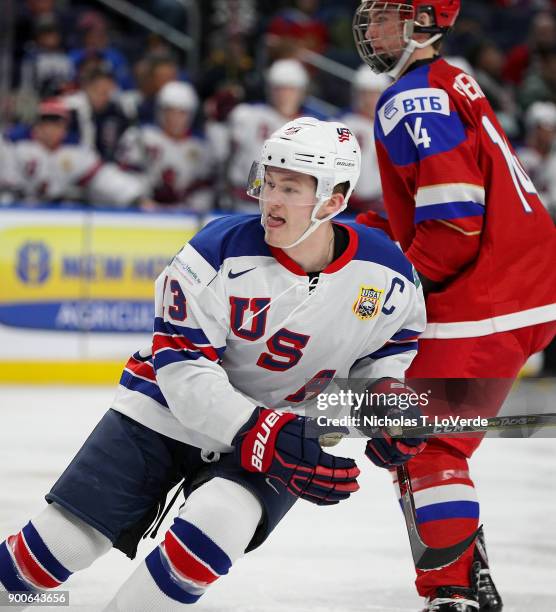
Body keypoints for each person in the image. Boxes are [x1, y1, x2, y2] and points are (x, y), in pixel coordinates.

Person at [0, 117, 427, 610]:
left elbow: (385, 352)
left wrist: (386, 400)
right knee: (59, 547)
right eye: (268, 182)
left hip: (279, 429)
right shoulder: (215, 252)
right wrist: (264, 432)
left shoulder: (388, 275)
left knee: (216, 528)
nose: (271, 200)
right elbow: (182, 370)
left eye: (290, 188)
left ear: (333, 200)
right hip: (164, 414)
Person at [352, 1, 556, 611]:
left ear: (423, 22)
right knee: (435, 441)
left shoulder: (412, 97)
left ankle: (452, 592)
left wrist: (395, 291)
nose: (371, 29)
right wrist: (382, 232)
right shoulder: (449, 80)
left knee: (420, 441)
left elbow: (455, 224)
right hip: (520, 289)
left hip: (488, 294)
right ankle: (470, 576)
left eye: (386, 16)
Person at [10, 98, 147, 207]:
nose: (51, 128)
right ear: (36, 125)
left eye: (57, 123)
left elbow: (104, 178)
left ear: (64, 128)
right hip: (20, 213)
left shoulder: (76, 155)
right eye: (46, 122)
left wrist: (135, 197)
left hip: (60, 218)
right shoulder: (16, 150)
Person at [226, 58, 321, 211]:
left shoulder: (313, 126)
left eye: (291, 89)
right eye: (279, 88)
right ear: (270, 89)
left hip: (291, 207)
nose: (284, 95)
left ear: (302, 92)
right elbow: (224, 155)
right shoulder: (248, 115)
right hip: (245, 203)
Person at [116, 81, 214, 212]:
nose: (175, 118)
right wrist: (140, 197)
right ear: (160, 111)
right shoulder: (140, 138)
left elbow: (204, 189)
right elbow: (124, 176)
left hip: (183, 216)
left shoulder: (200, 149)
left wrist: (191, 207)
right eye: (170, 111)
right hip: (143, 212)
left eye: (181, 112)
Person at [339, 64, 390, 214]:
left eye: (374, 94)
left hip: (383, 205)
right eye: (365, 93)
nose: (369, 99)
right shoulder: (343, 123)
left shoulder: (395, 127)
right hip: (346, 203)